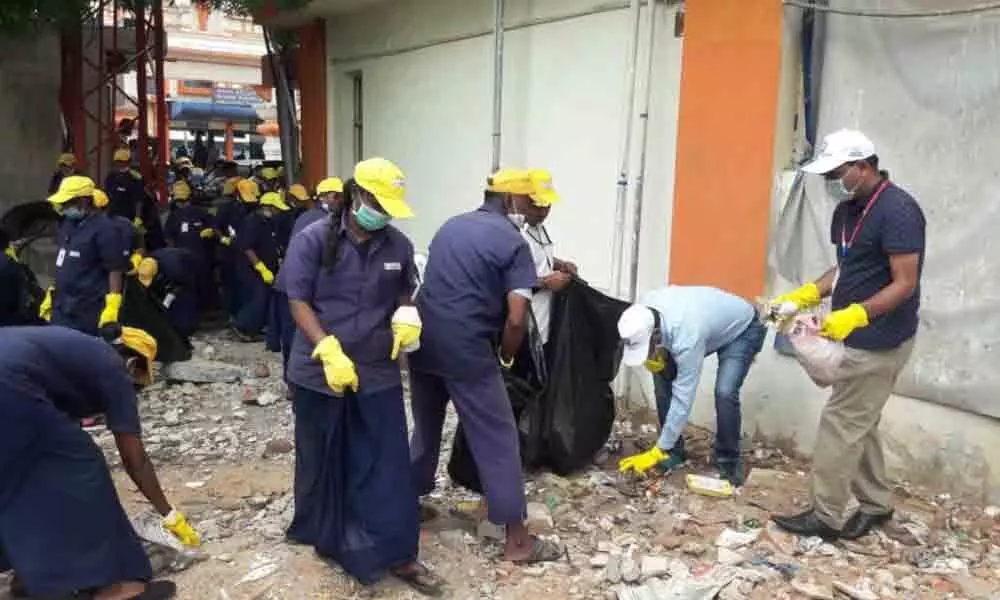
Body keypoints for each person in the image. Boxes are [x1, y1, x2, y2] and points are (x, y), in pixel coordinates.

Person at [282, 158, 443, 595]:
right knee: (319, 454)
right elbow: (298, 299)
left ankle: (397, 551)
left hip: (376, 367)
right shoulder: (313, 238)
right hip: (321, 368)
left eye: (391, 206)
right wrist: (326, 346)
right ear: (357, 196)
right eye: (379, 203)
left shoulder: (399, 246)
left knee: (386, 458)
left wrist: (407, 311)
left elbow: (405, 289)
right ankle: (319, 529)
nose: (385, 214)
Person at [770, 129, 925, 540]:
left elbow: (904, 282)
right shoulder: (848, 211)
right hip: (856, 338)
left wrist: (856, 315)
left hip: (881, 340)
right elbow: (846, 269)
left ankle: (826, 516)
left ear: (863, 166)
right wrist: (803, 296)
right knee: (861, 420)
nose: (831, 183)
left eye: (836, 173)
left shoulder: (899, 210)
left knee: (841, 423)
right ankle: (876, 505)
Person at [408, 168, 563, 564]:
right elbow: (516, 318)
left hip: (423, 344)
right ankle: (517, 541)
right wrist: (507, 356)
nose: (534, 210)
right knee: (497, 438)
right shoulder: (512, 242)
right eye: (530, 202)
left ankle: (407, 507)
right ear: (511, 200)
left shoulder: (451, 226)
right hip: (467, 349)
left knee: (425, 427)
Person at [0, 326, 200, 600]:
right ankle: (115, 587)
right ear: (132, 362)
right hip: (6, 381)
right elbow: (134, 458)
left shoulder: (71, 353)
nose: (135, 390)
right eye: (138, 382)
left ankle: (28, 573)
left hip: (9, 378)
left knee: (13, 476)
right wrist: (169, 514)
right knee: (81, 467)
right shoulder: (113, 367)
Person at [616, 286, 768, 486]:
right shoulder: (641, 312)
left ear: (655, 334)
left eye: (648, 347)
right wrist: (657, 358)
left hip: (743, 328)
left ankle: (729, 460)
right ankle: (673, 451)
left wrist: (656, 450)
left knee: (725, 391)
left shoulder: (688, 336)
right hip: (706, 323)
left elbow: (683, 397)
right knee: (662, 379)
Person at [48, 176, 126, 338]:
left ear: (83, 202)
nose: (63, 207)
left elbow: (115, 269)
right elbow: (63, 260)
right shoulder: (68, 224)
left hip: (87, 309)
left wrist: (112, 304)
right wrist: (52, 291)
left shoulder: (105, 229)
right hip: (62, 305)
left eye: (67, 203)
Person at [515, 168, 578, 346]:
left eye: (547, 205)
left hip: (543, 327)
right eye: (537, 205)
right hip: (523, 330)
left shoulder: (539, 228)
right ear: (522, 200)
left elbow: (537, 256)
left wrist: (560, 264)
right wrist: (545, 283)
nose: (543, 212)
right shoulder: (514, 234)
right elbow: (507, 282)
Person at [233, 191, 289, 340]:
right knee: (256, 299)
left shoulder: (268, 222)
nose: (278, 212)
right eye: (276, 209)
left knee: (264, 299)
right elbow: (247, 248)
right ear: (266, 207)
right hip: (251, 269)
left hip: (267, 267)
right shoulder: (252, 222)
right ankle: (243, 327)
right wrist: (261, 268)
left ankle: (255, 328)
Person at [164, 180, 217, 317]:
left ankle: (204, 310)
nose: (182, 204)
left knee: (202, 283)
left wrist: (210, 231)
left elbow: (214, 228)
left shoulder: (200, 213)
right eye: (180, 201)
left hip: (200, 255)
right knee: (188, 286)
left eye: (184, 201)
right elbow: (168, 236)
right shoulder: (173, 216)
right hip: (184, 257)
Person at [136, 249, 201, 344]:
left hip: (187, 264)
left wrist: (169, 299)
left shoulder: (175, 269)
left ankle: (187, 328)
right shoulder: (147, 263)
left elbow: (182, 284)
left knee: (184, 298)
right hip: (168, 265)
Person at [215, 178, 256, 320]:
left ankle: (245, 316)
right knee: (231, 285)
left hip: (248, 253)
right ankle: (232, 315)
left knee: (246, 286)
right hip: (229, 252)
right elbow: (216, 227)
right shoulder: (226, 208)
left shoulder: (253, 207)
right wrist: (222, 238)